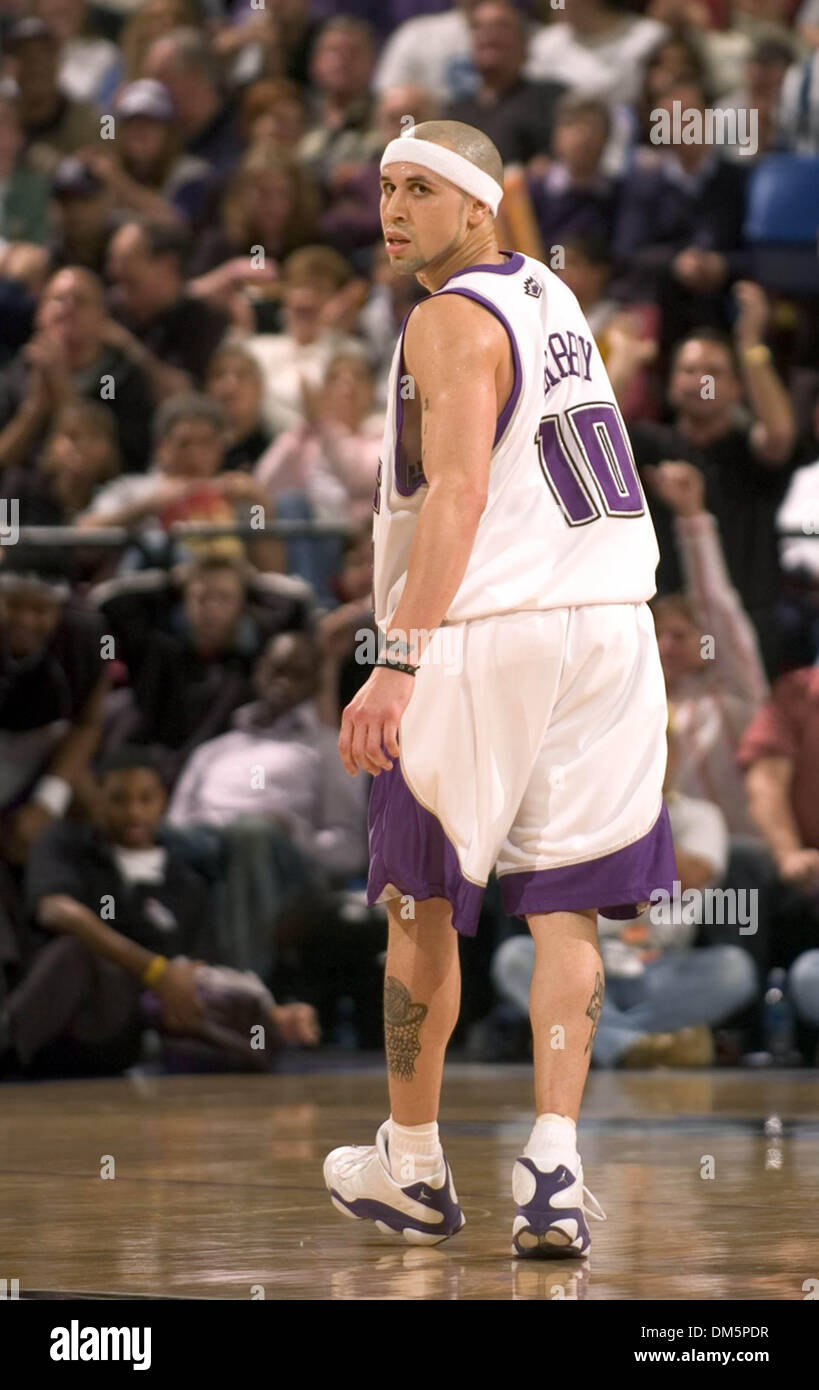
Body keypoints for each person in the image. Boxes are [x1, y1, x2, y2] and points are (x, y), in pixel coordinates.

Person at [323, 119, 675, 1257]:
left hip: (492, 630)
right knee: (568, 902)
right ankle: (557, 1168)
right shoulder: (554, 301)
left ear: (479, 206)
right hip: (614, 625)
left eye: (421, 189)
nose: (395, 209)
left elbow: (460, 495)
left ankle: (414, 1164)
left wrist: (397, 657)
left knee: (420, 899)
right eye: (385, 188)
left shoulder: (444, 316)